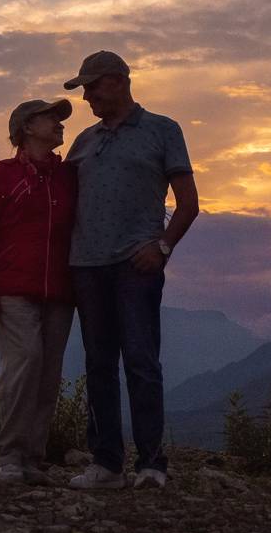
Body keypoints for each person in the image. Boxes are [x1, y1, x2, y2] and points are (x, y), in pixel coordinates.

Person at [62, 51, 198, 490]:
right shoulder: (83, 141)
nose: (87, 97)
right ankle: (106, 465)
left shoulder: (163, 129)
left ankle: (151, 465)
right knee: (99, 364)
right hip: (86, 266)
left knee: (141, 362)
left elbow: (189, 203)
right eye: (84, 89)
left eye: (92, 86)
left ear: (119, 81)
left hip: (136, 267)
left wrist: (162, 247)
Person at [0, 99, 78, 484]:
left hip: (60, 291)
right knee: (25, 362)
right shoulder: (2, 175)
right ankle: (10, 454)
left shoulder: (68, 176)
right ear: (27, 127)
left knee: (48, 373)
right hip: (13, 289)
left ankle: (32, 457)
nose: (60, 124)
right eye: (51, 118)